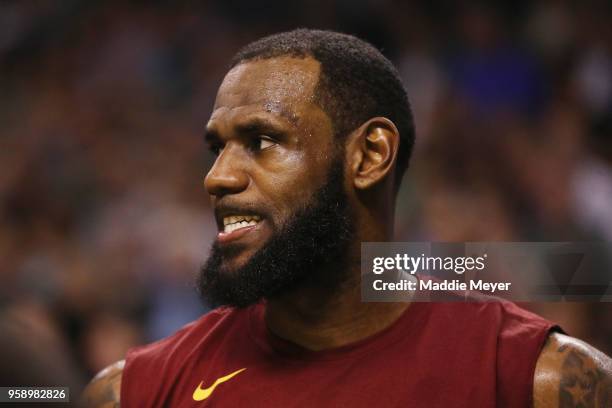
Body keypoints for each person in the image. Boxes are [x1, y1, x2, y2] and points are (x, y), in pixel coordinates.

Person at [83, 29, 612, 407]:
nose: (217, 177)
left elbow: (572, 274)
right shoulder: (133, 392)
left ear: (369, 156)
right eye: (216, 148)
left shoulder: (539, 380)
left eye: (261, 141)